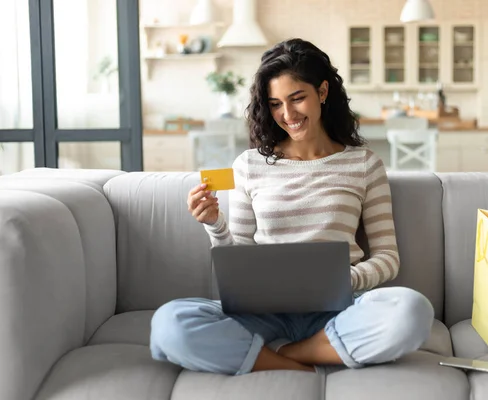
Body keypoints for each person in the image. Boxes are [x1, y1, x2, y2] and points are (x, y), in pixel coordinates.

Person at [149, 38, 434, 375]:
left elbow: (388, 258)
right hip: (263, 310)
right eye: (275, 104)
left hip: (341, 306)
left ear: (323, 92)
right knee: (170, 323)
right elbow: (238, 258)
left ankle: (286, 355)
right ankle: (310, 358)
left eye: (297, 98)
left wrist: (341, 281)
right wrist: (215, 224)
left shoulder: (364, 164)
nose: (288, 115)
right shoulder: (249, 165)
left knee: (412, 310)